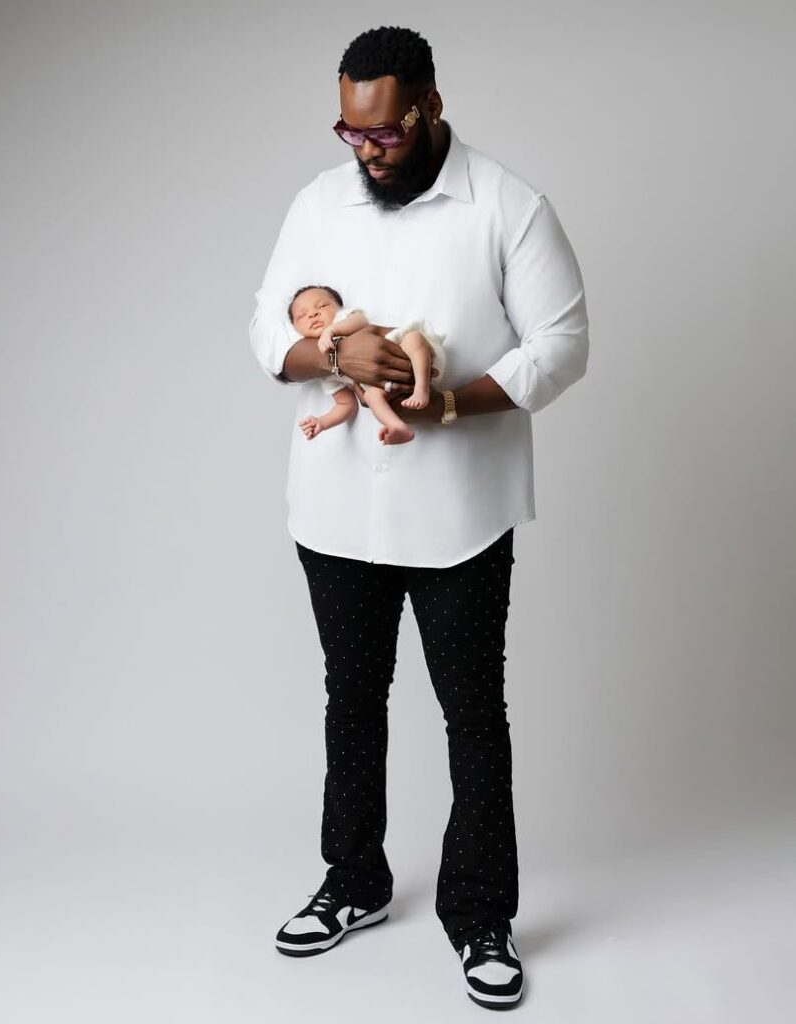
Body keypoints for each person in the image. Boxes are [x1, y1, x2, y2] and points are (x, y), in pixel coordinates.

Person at [248, 25, 589, 1010]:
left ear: (429, 106)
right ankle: (353, 880)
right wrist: (332, 357)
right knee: (351, 701)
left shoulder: (508, 206)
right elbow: (267, 327)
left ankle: (480, 913)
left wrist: (443, 404)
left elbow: (561, 345)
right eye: (351, 132)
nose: (367, 151)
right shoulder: (317, 203)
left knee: (472, 713)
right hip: (334, 510)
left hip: (462, 514)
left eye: (384, 132)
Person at [288, 284, 446, 443]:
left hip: (411, 354)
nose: (313, 314)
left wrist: (331, 331)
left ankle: (421, 389)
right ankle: (397, 427)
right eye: (302, 315)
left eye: (322, 306)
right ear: (295, 329)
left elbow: (360, 321)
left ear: (339, 308)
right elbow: (346, 405)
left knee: (413, 338)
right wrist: (322, 422)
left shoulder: (342, 320)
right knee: (371, 396)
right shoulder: (324, 369)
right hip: (389, 385)